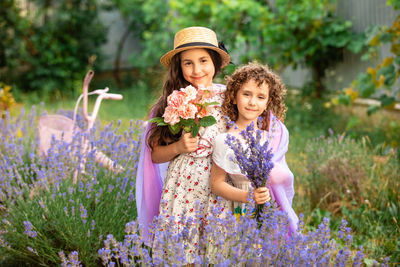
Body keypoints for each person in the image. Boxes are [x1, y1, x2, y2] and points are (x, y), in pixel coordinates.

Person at [135, 26, 231, 262]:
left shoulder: (231, 97)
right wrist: (179, 147)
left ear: (215, 63)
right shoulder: (171, 102)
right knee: (182, 254)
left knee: (218, 251)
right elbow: (155, 155)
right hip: (183, 191)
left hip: (220, 189)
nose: (197, 70)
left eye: (203, 61)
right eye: (188, 63)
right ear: (179, 67)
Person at [210, 62, 299, 235]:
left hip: (270, 207)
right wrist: (248, 196)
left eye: (260, 97)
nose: (252, 102)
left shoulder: (271, 139)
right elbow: (216, 184)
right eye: (246, 94)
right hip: (240, 210)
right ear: (234, 97)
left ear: (267, 103)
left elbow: (282, 174)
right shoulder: (224, 140)